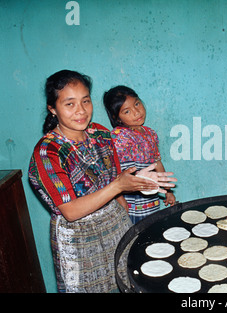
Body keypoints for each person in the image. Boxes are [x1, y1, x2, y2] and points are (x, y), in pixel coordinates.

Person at [28, 70, 176, 293]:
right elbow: (70, 210)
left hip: (115, 224)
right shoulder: (48, 152)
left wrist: (132, 186)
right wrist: (119, 186)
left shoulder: (100, 134)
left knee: (127, 283)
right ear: (53, 109)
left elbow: (116, 179)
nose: (81, 111)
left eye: (85, 101)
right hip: (77, 240)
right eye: (70, 104)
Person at [103, 85, 176, 224]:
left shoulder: (150, 133)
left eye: (137, 103)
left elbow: (157, 163)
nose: (136, 112)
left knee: (151, 228)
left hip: (151, 199)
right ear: (117, 117)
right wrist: (120, 200)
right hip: (131, 204)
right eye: (127, 111)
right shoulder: (119, 137)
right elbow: (113, 172)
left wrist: (167, 191)